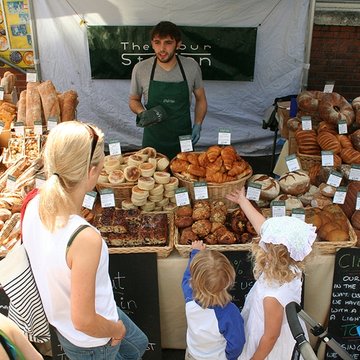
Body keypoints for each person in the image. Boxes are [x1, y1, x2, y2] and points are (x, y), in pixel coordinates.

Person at [22, 121, 148, 360]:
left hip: (77, 323)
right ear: (91, 172)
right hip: (92, 341)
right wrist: (116, 330)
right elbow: (84, 321)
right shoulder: (84, 238)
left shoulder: (33, 203)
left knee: (138, 344)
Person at [226, 187, 317, 360]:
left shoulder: (272, 296)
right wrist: (243, 201)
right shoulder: (290, 264)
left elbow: (270, 337)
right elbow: (261, 225)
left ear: (268, 252)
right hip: (279, 326)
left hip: (268, 344)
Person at [129, 20, 207, 160]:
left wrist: (198, 124)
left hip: (183, 139)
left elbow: (201, 99)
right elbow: (133, 100)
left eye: (168, 42)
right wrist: (143, 113)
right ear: (152, 44)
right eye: (157, 42)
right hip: (153, 140)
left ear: (178, 44)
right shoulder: (141, 69)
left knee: (186, 178)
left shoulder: (191, 67)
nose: (162, 49)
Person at [182, 240, 245, 360]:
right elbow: (237, 343)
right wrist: (228, 357)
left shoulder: (189, 295)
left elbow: (187, 277)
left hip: (193, 354)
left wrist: (195, 252)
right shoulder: (229, 313)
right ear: (229, 279)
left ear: (194, 281)